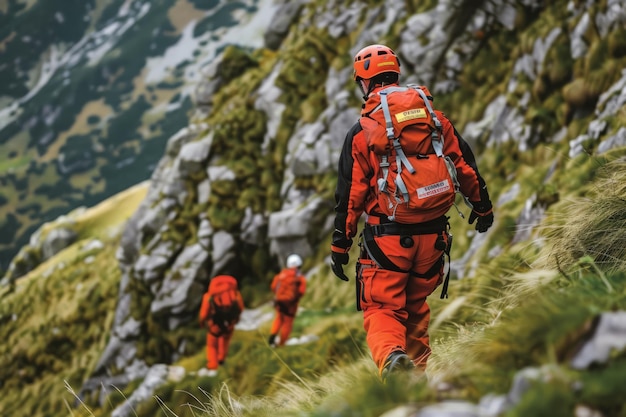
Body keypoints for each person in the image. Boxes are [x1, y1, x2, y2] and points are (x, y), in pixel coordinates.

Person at [330, 44, 494, 380]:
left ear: (364, 82)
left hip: (387, 241)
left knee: (383, 307)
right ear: (396, 72)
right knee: (415, 308)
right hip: (433, 236)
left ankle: (392, 359)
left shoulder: (361, 132)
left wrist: (339, 245)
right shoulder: (433, 118)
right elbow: (463, 163)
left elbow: (351, 197)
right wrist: (483, 206)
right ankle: (416, 381)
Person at [198, 274, 245, 376]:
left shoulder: (209, 297)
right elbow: (240, 308)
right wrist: (235, 319)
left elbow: (204, 314)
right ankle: (221, 359)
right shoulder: (235, 294)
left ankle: (212, 366)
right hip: (230, 323)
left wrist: (202, 322)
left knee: (212, 344)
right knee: (225, 340)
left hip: (215, 325)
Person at [268, 253, 307, 347]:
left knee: (278, 318)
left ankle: (272, 338)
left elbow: (273, 286)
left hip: (279, 301)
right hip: (291, 304)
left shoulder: (281, 275)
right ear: (298, 265)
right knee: (287, 323)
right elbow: (302, 291)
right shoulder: (299, 278)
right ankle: (281, 344)